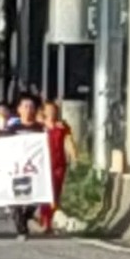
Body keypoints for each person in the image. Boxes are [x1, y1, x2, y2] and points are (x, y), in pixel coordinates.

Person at [5, 92, 46, 241]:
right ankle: (21, 229)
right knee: (14, 200)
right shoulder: (12, 129)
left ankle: (27, 216)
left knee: (36, 198)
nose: (28, 109)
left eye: (31, 107)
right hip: (16, 169)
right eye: (25, 106)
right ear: (19, 109)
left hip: (35, 170)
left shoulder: (41, 129)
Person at [40, 100, 78, 234]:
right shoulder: (40, 126)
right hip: (43, 164)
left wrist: (74, 157)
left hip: (59, 164)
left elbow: (68, 141)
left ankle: (50, 221)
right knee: (45, 193)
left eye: (53, 110)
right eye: (48, 109)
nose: (51, 112)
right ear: (43, 111)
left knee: (55, 193)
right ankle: (45, 221)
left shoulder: (62, 126)